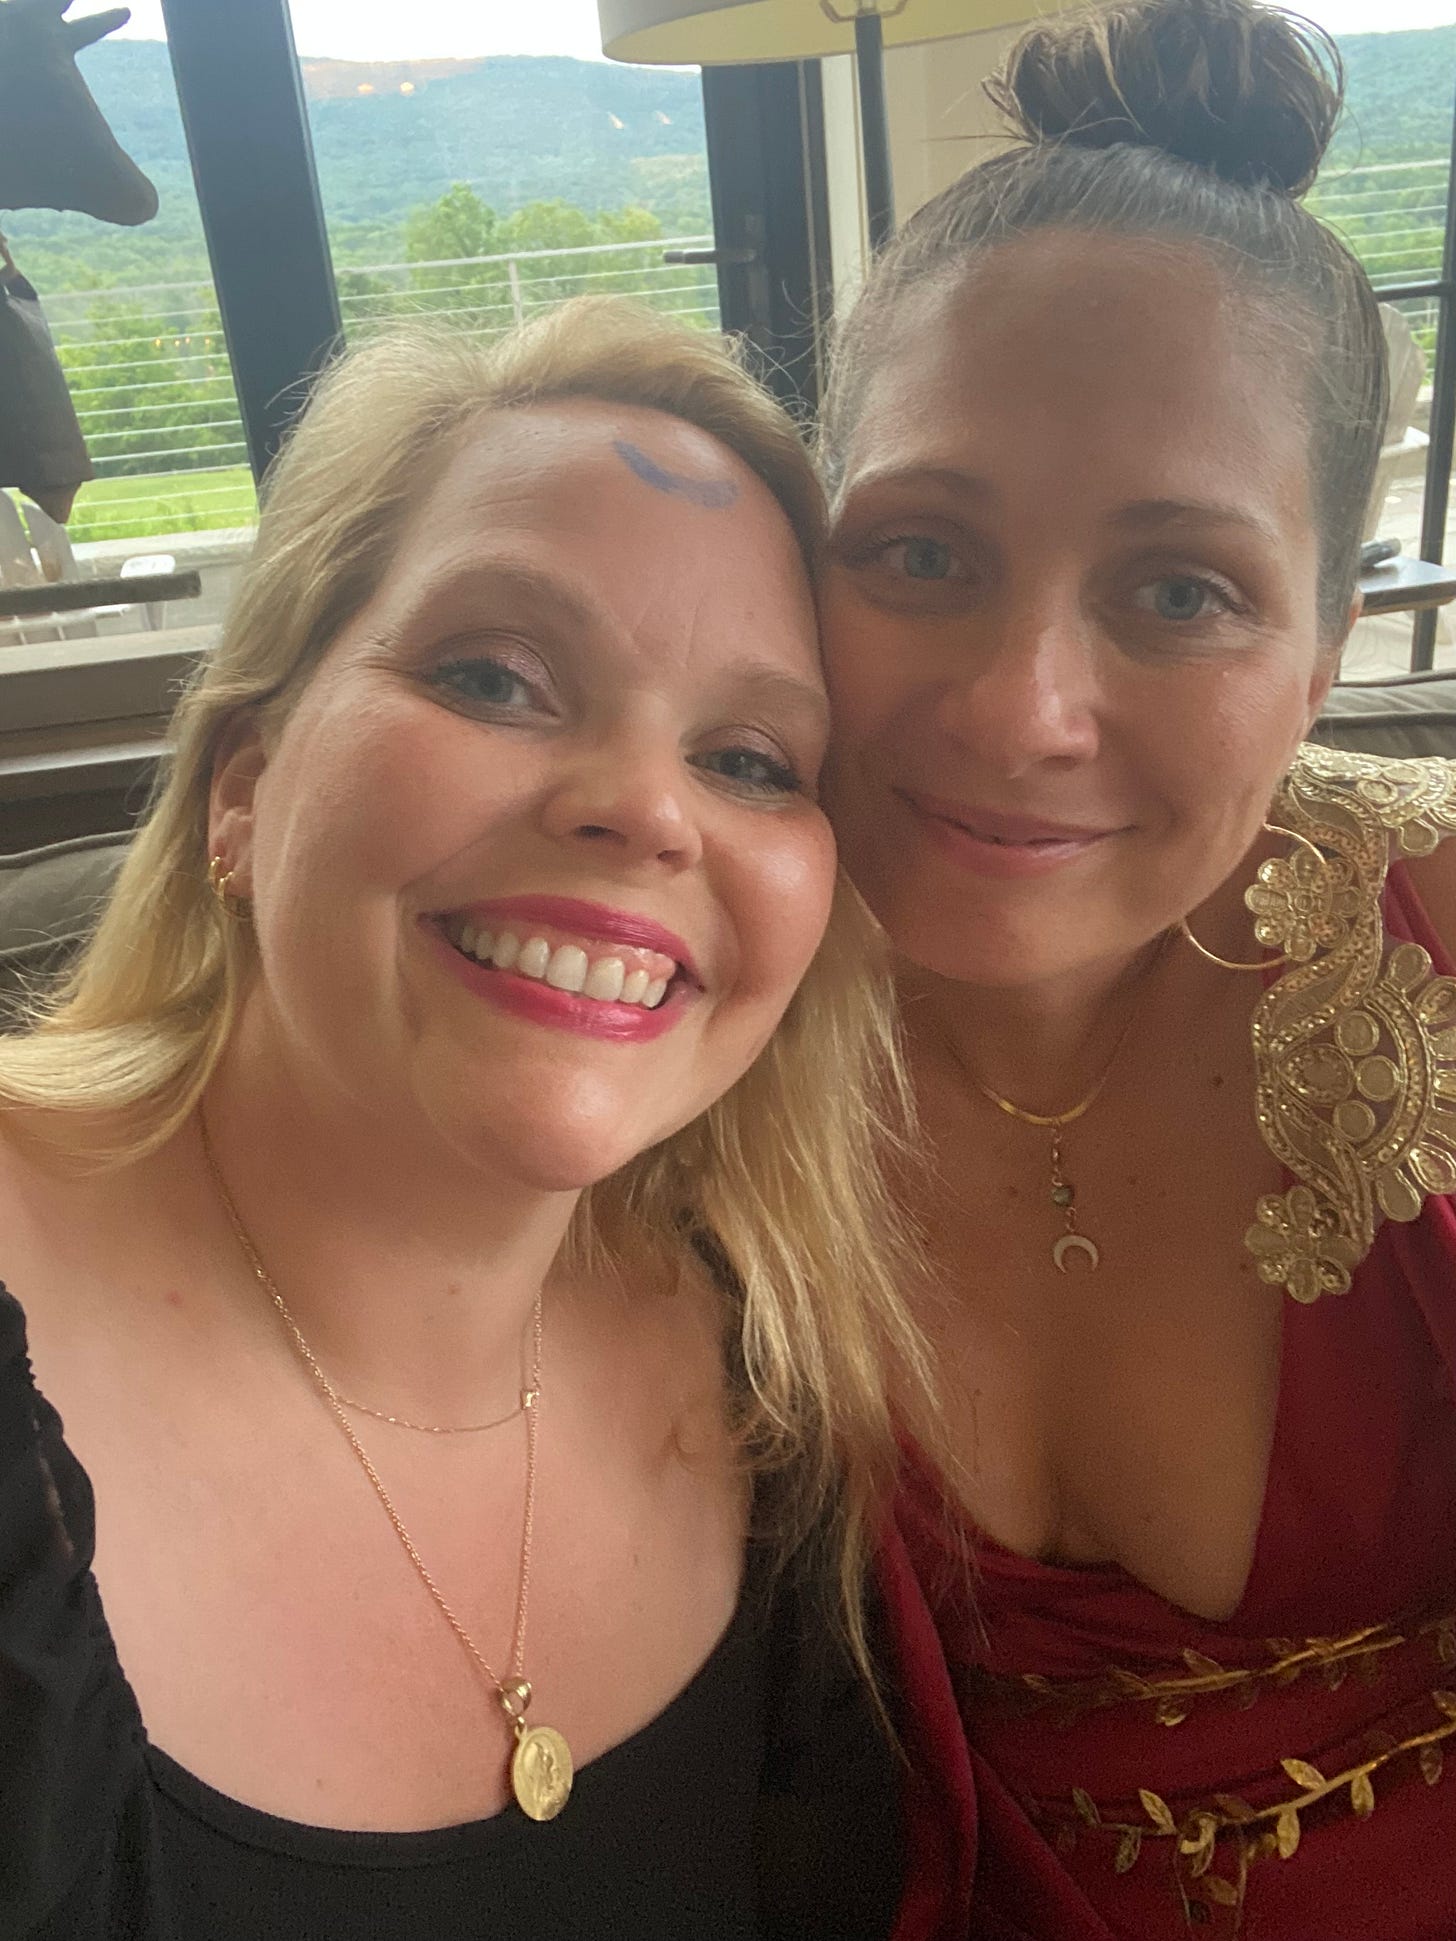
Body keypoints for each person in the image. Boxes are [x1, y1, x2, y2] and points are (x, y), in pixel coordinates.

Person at [0, 301, 966, 1940]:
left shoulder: (780, 1374)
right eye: (496, 675)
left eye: (749, 757)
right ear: (245, 784)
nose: (646, 808)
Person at [816, 0, 1456, 1932]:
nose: (1022, 711)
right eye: (922, 554)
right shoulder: (657, 1002)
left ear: (1324, 653)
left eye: (1182, 590)